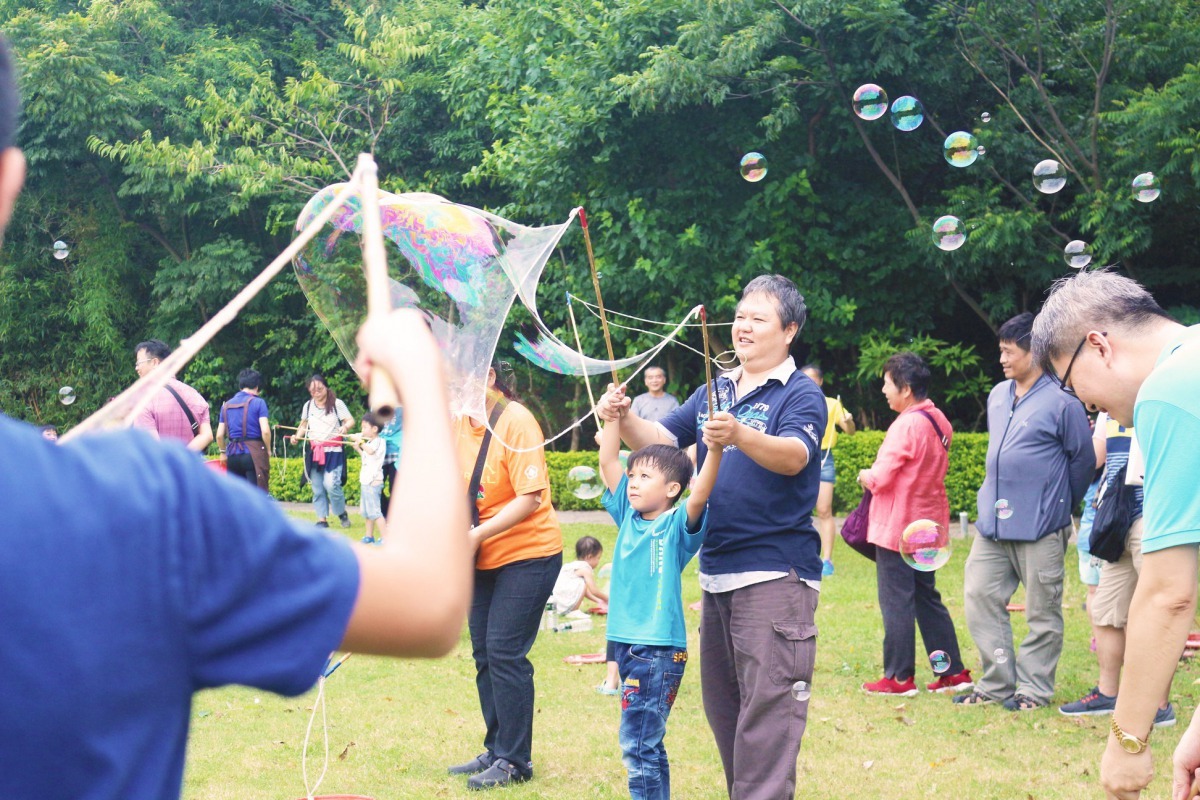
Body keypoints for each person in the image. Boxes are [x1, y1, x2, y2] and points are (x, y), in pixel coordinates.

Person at [598, 274, 826, 800]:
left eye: (759, 318)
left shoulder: (801, 394)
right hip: (717, 573)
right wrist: (624, 415)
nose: (743, 326)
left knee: (766, 715)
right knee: (726, 713)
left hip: (775, 573)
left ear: (789, 330)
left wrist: (739, 435)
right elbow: (661, 442)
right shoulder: (715, 389)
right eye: (740, 315)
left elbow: (795, 456)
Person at [1029, 270, 1198, 800]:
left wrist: (1127, 741)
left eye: (1071, 383)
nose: (1082, 404)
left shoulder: (1169, 392)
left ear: (1098, 345)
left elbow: (1169, 593)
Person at [955, 312, 1093, 711]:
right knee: (979, 595)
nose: (1001, 358)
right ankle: (996, 684)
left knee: (1042, 611)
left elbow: (1081, 461)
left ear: (1035, 352)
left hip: (1042, 526)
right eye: (1000, 350)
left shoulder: (1064, 400)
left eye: (1008, 351)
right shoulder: (998, 395)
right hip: (992, 525)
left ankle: (1033, 690)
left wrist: (1059, 504)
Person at [597, 390, 722, 800]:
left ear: (671, 489)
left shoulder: (675, 527)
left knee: (638, 745)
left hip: (658, 650)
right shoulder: (626, 515)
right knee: (645, 743)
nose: (632, 483)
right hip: (629, 644)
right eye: (632, 477)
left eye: (644, 477)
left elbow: (700, 492)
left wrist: (714, 448)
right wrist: (613, 414)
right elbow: (608, 461)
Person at [447, 363, 563, 790]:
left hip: (528, 553)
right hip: (480, 555)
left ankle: (516, 762)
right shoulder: (458, 422)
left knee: (504, 650)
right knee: (483, 652)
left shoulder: (517, 422)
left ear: (490, 376)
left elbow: (531, 498)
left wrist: (476, 534)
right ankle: (496, 749)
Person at [857, 352, 971, 697]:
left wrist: (865, 475)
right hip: (926, 525)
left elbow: (881, 475)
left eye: (888, 383)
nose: (883, 389)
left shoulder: (906, 424)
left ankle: (899, 677)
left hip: (897, 526)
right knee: (926, 597)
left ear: (905, 389)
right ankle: (952, 673)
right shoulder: (938, 419)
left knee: (896, 600)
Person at [1058, 415, 1175, 728]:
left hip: (1155, 513)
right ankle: (1108, 693)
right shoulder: (1109, 413)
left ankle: (1159, 706)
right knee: (1106, 610)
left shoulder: (1160, 399)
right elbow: (1093, 459)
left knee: (1156, 612)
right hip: (1114, 517)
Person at [800, 364, 855, 577]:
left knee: (824, 510)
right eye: (805, 379)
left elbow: (849, 431)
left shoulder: (833, 404)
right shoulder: (794, 401)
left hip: (823, 458)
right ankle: (801, 556)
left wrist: (849, 422)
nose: (810, 383)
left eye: (814, 379)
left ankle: (827, 560)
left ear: (821, 381)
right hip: (801, 456)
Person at [290, 374, 354, 529]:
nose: (316, 393)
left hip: (334, 451)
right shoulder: (308, 405)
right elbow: (303, 425)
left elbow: (350, 420)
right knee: (317, 487)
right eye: (312, 391)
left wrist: (344, 427)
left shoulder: (337, 404)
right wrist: (296, 437)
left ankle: (341, 513)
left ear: (326, 387)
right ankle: (322, 519)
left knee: (332, 484)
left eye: (319, 389)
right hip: (315, 451)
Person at [133, 338, 214, 453]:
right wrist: (183, 457)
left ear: (155, 362)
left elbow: (152, 448)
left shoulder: (144, 399)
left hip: (163, 469)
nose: (136, 368)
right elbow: (207, 435)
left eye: (139, 363)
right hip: (191, 467)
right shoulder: (194, 395)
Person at [215, 368, 271, 491]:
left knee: (236, 497)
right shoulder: (258, 403)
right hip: (253, 455)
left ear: (241, 386)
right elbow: (265, 431)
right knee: (255, 497)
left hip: (232, 455)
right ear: (257, 386)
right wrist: (268, 450)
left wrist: (222, 452)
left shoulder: (226, 405)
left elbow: (219, 435)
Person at [349, 411, 386, 545]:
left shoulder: (379, 442)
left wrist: (360, 441)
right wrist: (358, 448)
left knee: (375, 512)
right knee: (367, 512)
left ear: (375, 429)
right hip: (365, 481)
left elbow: (370, 451)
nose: (362, 430)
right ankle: (369, 536)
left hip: (373, 482)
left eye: (364, 427)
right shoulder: (370, 442)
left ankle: (385, 538)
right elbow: (367, 456)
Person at [550, 536, 608, 616]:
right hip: (567, 604)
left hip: (558, 604)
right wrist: (609, 599)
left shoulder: (572, 566)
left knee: (582, 584)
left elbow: (585, 592)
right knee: (582, 583)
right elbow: (594, 591)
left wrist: (598, 601)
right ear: (589, 557)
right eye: (598, 558)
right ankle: (574, 611)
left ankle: (571, 609)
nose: (598, 561)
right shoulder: (585, 569)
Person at [378, 406, 403, 517]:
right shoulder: (377, 404)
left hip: (398, 450)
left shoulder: (403, 405)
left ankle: (394, 517)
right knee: (376, 487)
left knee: (395, 488)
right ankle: (386, 514)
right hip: (379, 450)